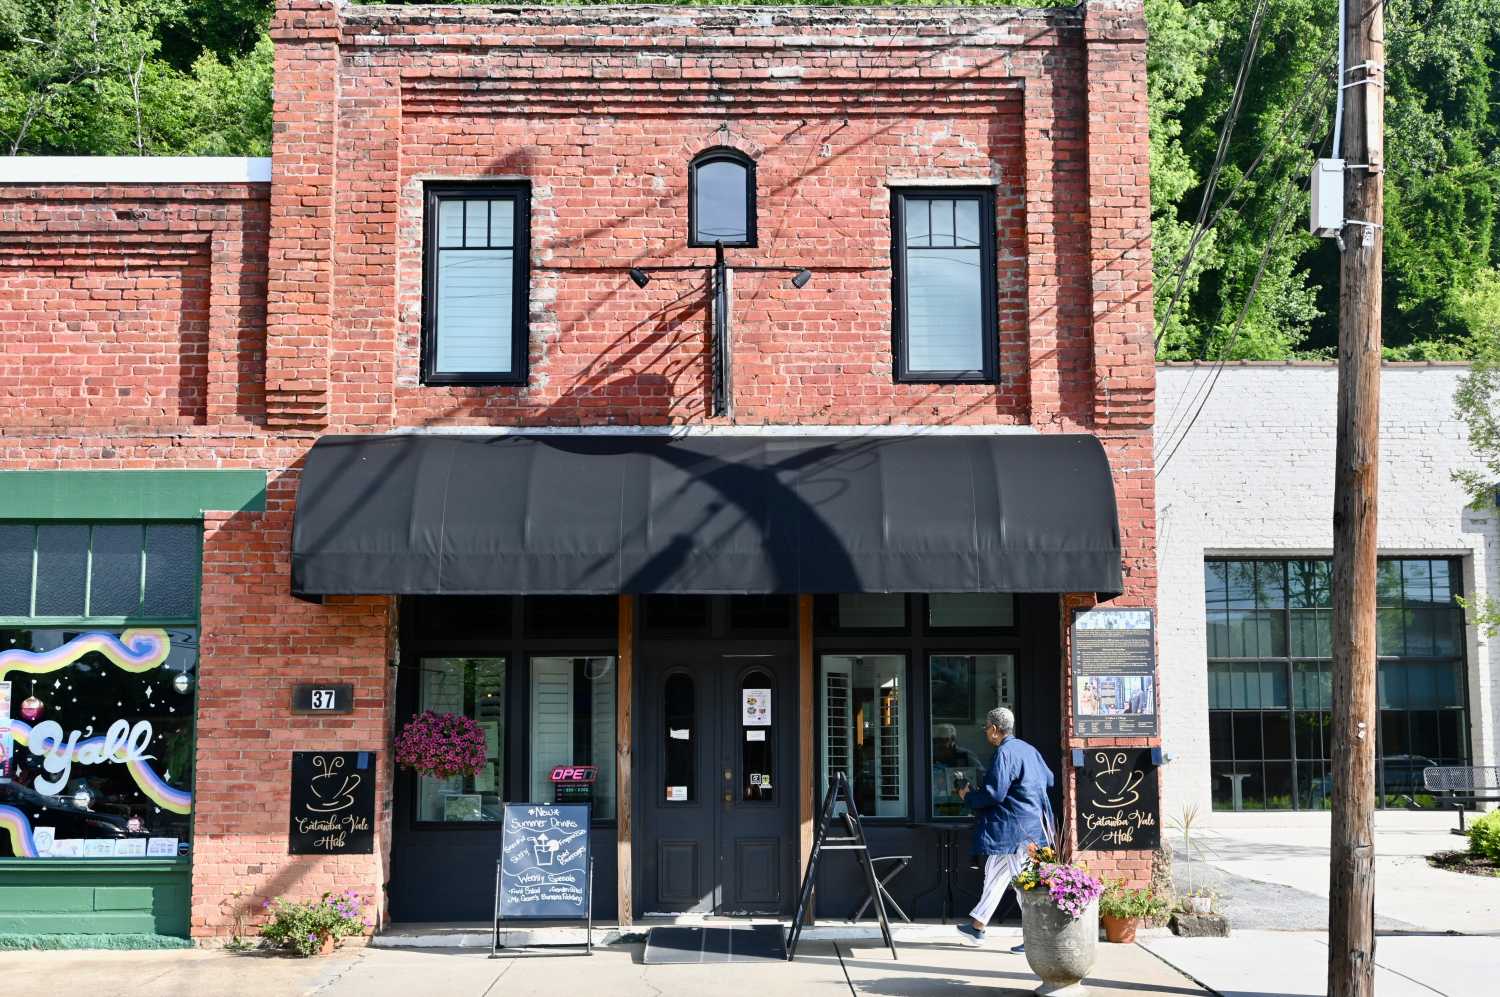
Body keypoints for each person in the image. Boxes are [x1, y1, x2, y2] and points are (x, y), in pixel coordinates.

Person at [955, 706, 1055, 950]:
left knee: (1023, 883)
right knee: (994, 874)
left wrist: (968, 796)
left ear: (994, 729)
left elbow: (995, 793)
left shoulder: (1004, 753)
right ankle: (977, 926)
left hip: (1014, 830)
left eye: (987, 729)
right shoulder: (1029, 750)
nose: (986, 734)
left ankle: (1038, 938)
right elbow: (1050, 779)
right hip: (1029, 825)